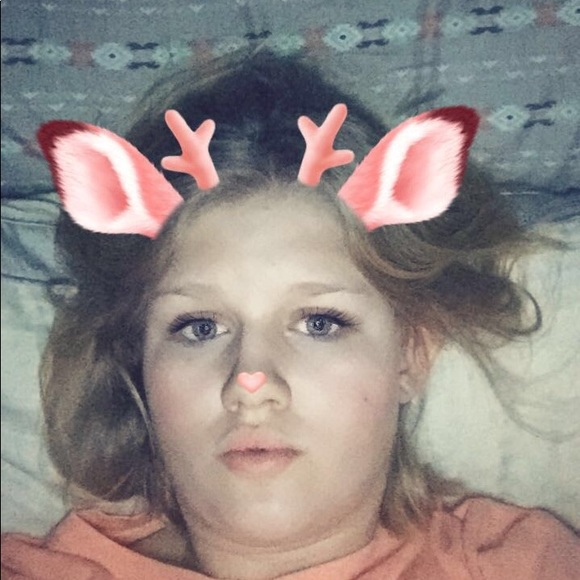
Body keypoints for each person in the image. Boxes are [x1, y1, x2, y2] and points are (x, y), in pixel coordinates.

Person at [1, 49, 578, 579]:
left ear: (411, 353)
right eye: (200, 327)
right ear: (140, 362)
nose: (251, 383)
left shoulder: (519, 564)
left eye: (320, 323)